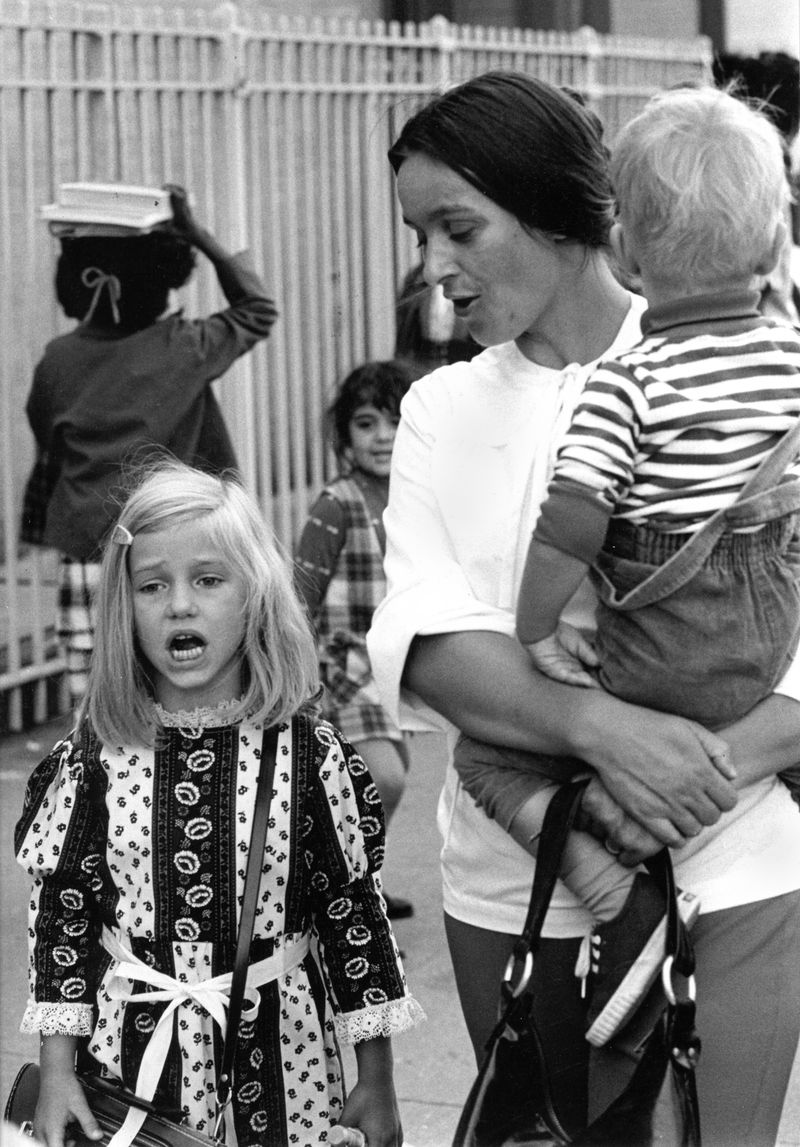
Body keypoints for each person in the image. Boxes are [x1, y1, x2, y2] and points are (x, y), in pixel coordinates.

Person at [366, 71, 800, 1146]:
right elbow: (427, 651)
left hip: (733, 847)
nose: (433, 270)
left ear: (565, 211)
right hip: (510, 877)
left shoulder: (744, 377)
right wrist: (610, 738)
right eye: (423, 235)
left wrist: (707, 767)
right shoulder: (439, 409)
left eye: (457, 228)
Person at [15, 461, 424, 1147]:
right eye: (152, 584)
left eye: (207, 579)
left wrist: (375, 1078)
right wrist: (56, 1071)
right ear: (126, 605)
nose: (180, 604)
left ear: (254, 595)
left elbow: (352, 916)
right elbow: (64, 920)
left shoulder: (307, 754)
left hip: (287, 1059)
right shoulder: (95, 756)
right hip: (133, 1062)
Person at [20, 185, 277, 709]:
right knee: (186, 701)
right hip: (178, 558)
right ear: (165, 279)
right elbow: (257, 308)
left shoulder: (57, 362)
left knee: (97, 717)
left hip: (89, 560)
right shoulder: (186, 347)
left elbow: (46, 435)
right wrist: (199, 233)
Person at [294, 360, 416, 920]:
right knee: (381, 777)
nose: (383, 436)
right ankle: (346, 892)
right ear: (344, 435)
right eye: (367, 423)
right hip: (342, 665)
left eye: (395, 421)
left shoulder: (417, 496)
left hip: (393, 665)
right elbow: (300, 595)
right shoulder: (336, 504)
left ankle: (354, 881)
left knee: (373, 783)